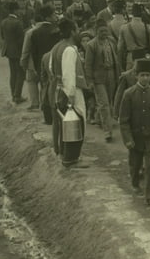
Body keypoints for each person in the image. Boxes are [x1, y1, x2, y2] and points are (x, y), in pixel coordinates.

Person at [119, 59, 150, 209]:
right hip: (135, 137)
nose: (145, 78)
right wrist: (128, 139)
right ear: (136, 75)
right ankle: (135, 182)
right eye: (142, 75)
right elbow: (124, 120)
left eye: (148, 75)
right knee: (135, 164)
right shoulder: (128, 94)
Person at [49, 19, 90, 168]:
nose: (79, 32)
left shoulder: (56, 47)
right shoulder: (70, 50)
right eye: (77, 29)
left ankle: (65, 154)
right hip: (70, 91)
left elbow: (51, 68)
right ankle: (71, 159)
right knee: (76, 123)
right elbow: (69, 74)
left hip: (60, 89)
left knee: (65, 124)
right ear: (72, 31)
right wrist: (71, 95)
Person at [84, 20, 121, 142]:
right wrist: (89, 80)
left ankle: (99, 119)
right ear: (96, 31)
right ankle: (107, 132)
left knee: (108, 101)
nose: (104, 33)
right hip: (98, 77)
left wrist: (118, 74)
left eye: (105, 31)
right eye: (101, 31)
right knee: (104, 103)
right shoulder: (91, 45)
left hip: (111, 74)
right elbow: (88, 64)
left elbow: (116, 58)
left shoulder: (111, 41)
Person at [117, 3, 150, 70]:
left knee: (130, 75)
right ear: (142, 13)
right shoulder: (148, 27)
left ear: (132, 13)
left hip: (131, 58)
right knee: (145, 75)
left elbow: (119, 48)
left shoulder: (123, 27)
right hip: (145, 58)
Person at [0, 1, 26, 103]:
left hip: (9, 51)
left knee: (13, 73)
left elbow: (2, 36)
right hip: (18, 51)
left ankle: (13, 94)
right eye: (18, 9)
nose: (20, 11)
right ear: (15, 10)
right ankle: (17, 96)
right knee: (21, 73)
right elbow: (21, 39)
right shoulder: (18, 22)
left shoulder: (4, 22)